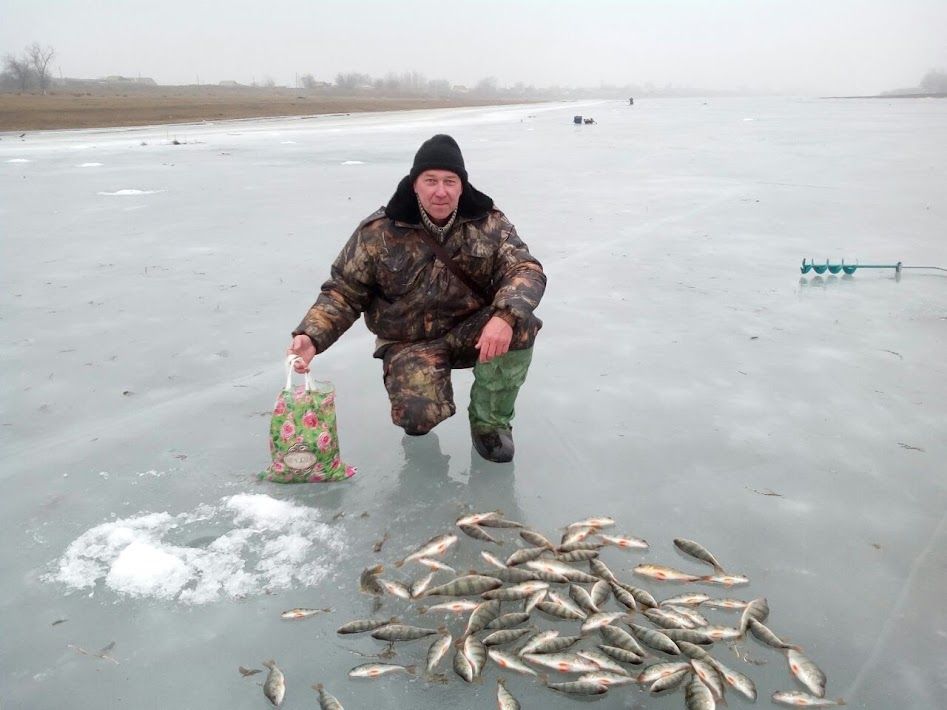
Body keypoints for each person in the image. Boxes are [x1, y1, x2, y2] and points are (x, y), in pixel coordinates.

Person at [287, 134, 545, 463]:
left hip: (471, 331)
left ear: (461, 186)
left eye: (450, 181)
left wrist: (504, 317)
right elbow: (344, 290)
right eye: (431, 180)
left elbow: (526, 269)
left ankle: (490, 424)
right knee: (418, 419)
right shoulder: (377, 233)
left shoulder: (490, 223)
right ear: (415, 185)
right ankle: (420, 397)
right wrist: (311, 335)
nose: (441, 191)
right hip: (410, 341)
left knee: (521, 325)